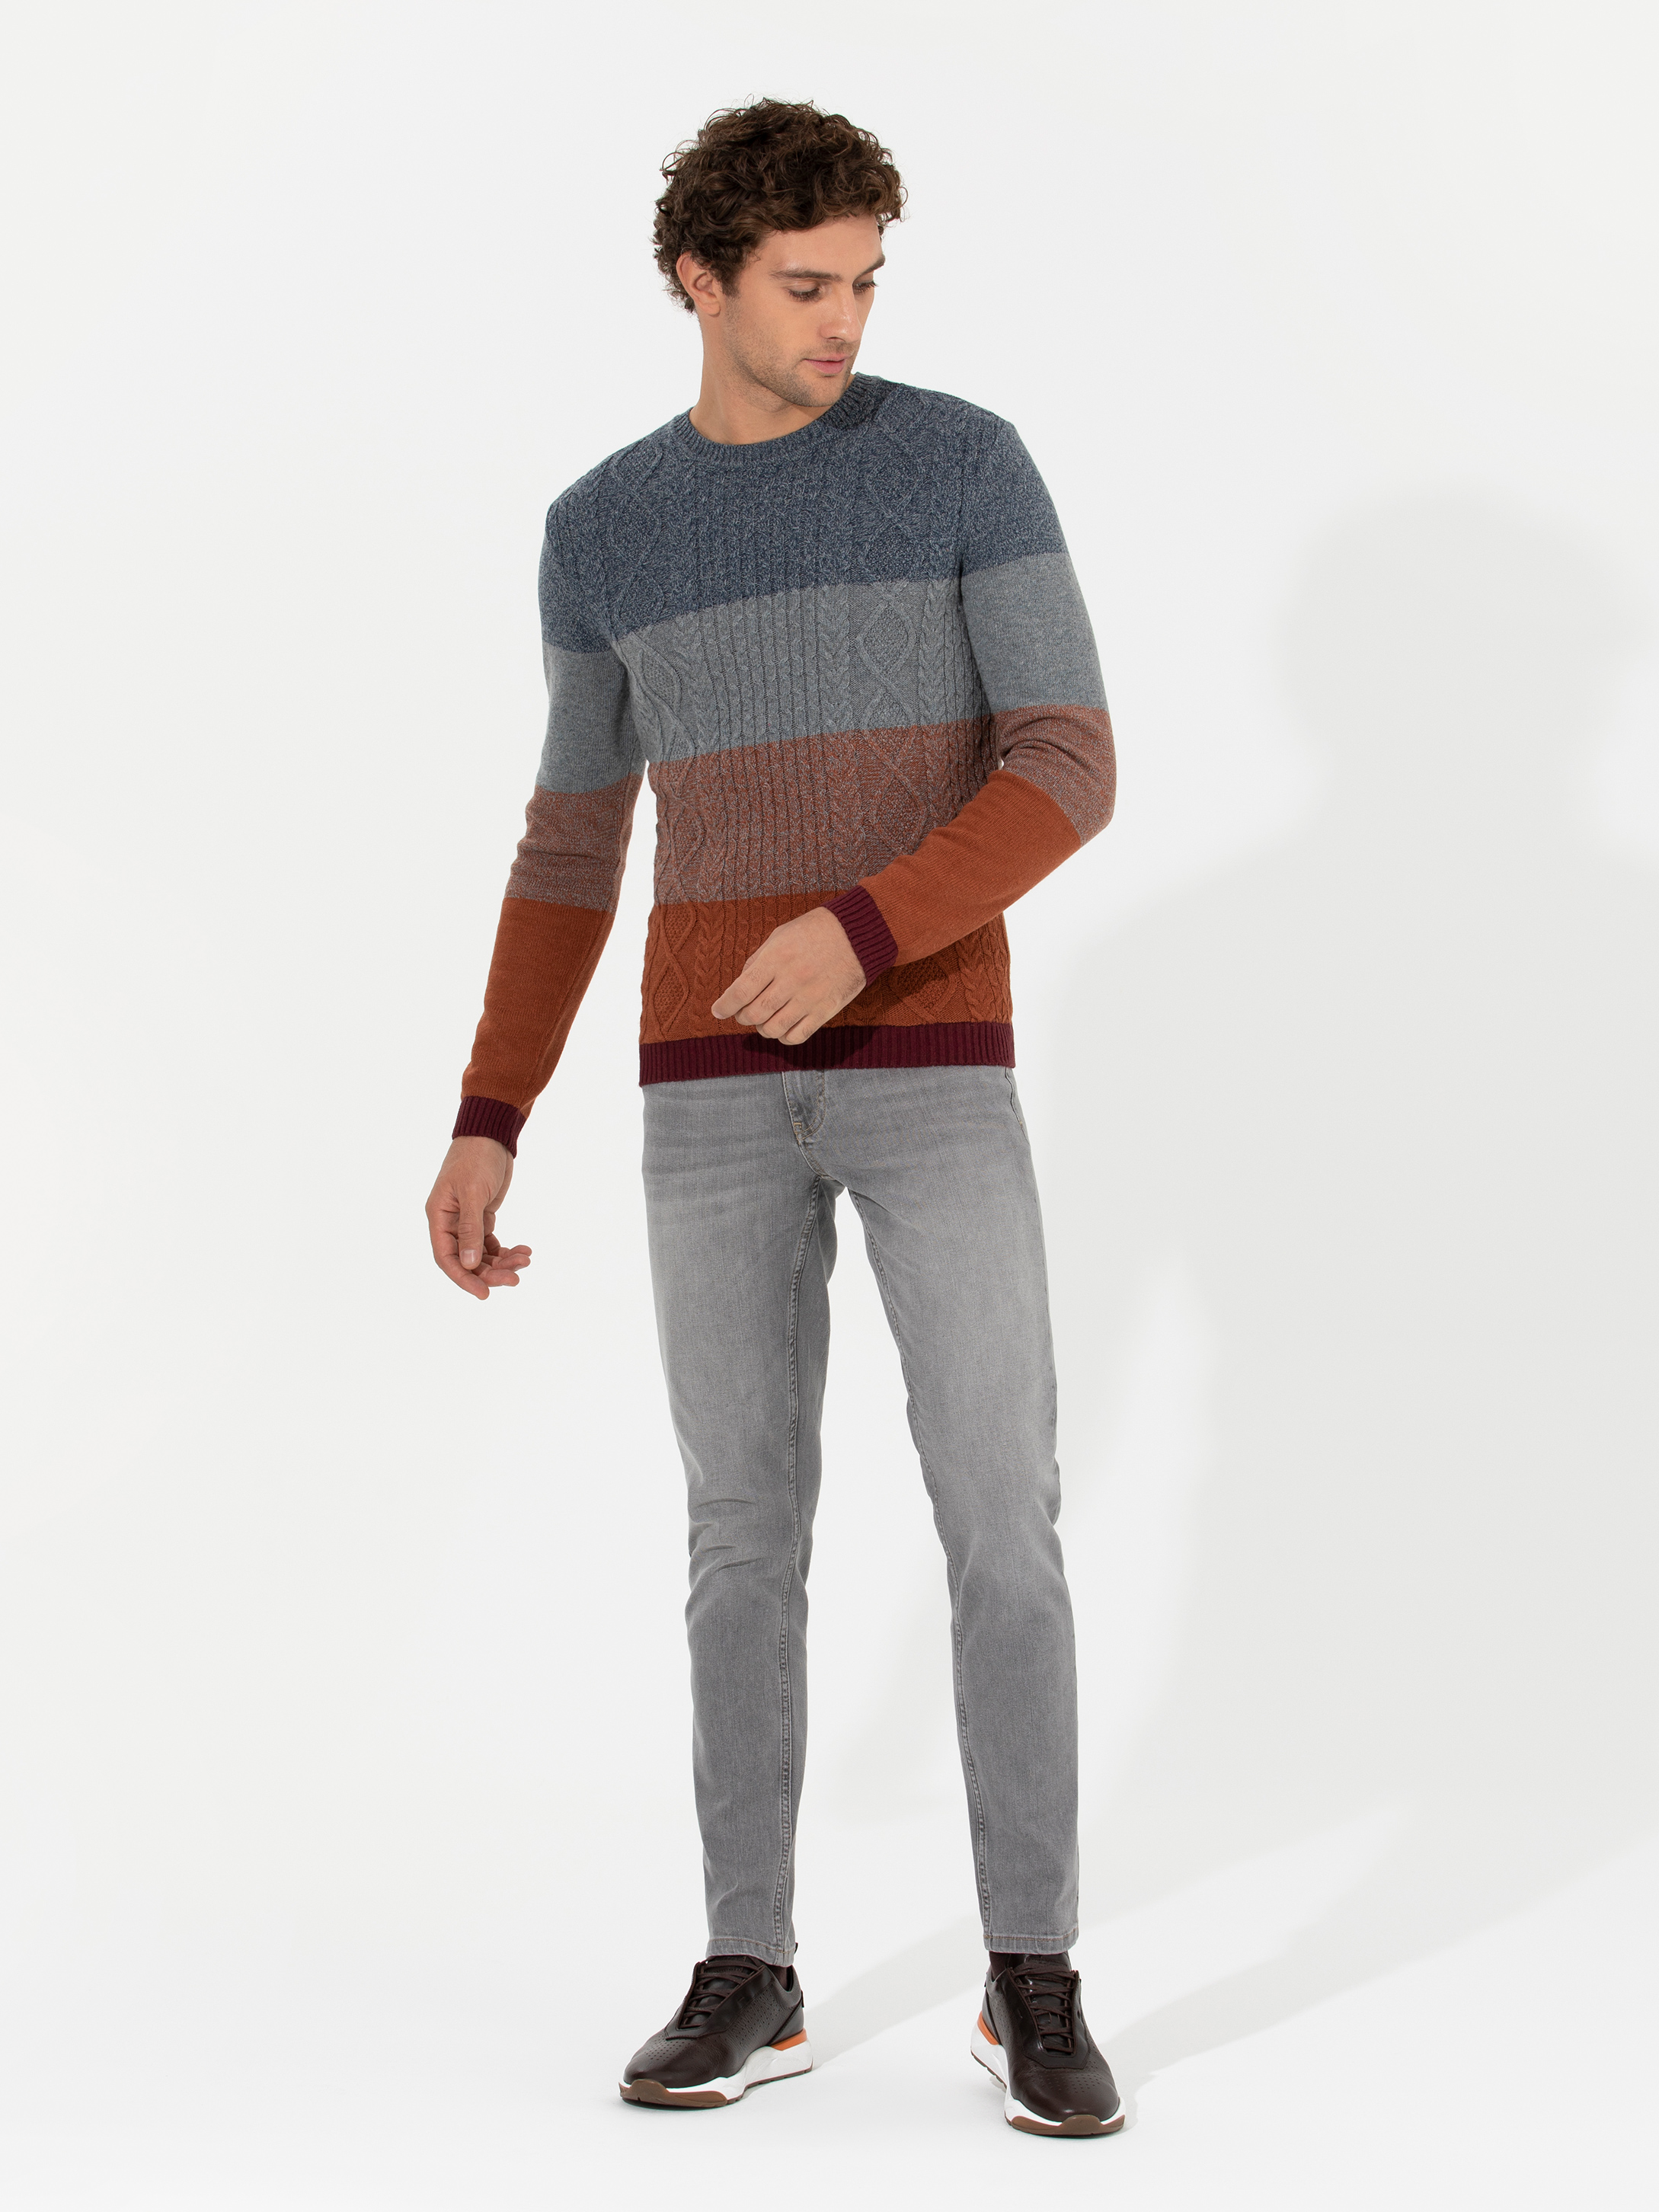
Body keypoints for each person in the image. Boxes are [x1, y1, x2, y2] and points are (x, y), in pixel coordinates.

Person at [424, 97, 1120, 2137]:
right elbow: (572, 848)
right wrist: (488, 1111)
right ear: (696, 280)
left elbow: (1066, 760)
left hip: (935, 1070)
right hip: (706, 1098)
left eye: (866, 282)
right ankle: (752, 1966)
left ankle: (1033, 1969)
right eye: (805, 285)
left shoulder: (962, 462)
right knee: (741, 1537)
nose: (844, 321)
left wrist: (867, 924)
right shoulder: (603, 529)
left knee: (1002, 1519)